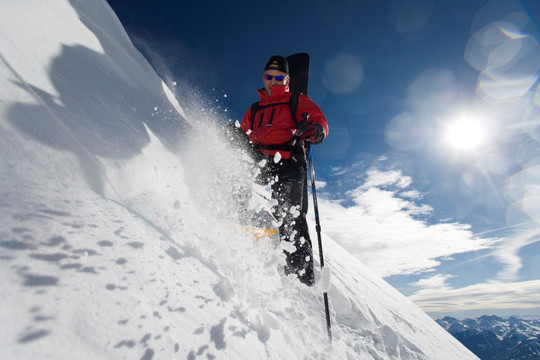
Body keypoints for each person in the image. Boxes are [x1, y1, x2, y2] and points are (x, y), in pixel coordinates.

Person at [240, 55, 329, 286]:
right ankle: (232, 218)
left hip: (287, 159)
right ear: (263, 78)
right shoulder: (255, 109)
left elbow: (320, 120)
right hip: (259, 159)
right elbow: (243, 134)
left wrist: (315, 129)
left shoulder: (296, 100)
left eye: (278, 77)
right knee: (229, 135)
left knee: (287, 210)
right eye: (268, 77)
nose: (273, 81)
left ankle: (300, 277)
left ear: (287, 79)